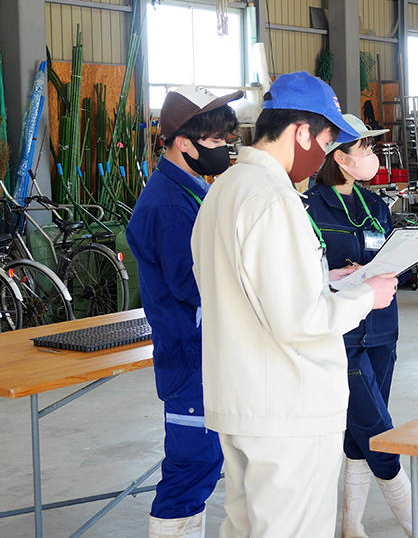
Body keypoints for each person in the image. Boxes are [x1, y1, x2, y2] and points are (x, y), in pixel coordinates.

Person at [191, 72, 399, 537]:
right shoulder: (274, 199)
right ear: (302, 132)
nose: (324, 155)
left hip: (242, 399)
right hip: (287, 409)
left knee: (245, 528)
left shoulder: (225, 189)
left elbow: (236, 285)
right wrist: (368, 295)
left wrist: (321, 279)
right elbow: (300, 320)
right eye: (327, 141)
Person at [305, 114, 418, 538]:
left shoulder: (375, 207)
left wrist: (412, 257)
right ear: (341, 158)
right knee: (377, 426)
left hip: (383, 330)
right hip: (342, 335)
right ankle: (415, 521)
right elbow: (303, 273)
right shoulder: (308, 209)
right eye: (366, 149)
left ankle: (351, 525)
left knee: (361, 430)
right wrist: (337, 275)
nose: (373, 156)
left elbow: (393, 263)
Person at [127, 86, 240, 538]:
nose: (224, 150)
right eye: (215, 142)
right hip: (189, 358)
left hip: (205, 356)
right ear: (182, 143)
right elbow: (192, 285)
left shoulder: (191, 190)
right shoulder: (168, 205)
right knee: (192, 467)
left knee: (207, 464)